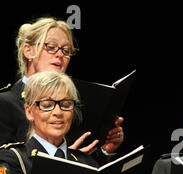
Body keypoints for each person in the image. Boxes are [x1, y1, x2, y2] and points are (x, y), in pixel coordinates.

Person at [0, 16, 124, 157]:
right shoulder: (5, 103)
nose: (60, 54)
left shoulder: (73, 104)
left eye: (66, 51)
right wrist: (62, 157)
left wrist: (105, 150)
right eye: (51, 47)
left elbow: (85, 162)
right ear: (28, 51)